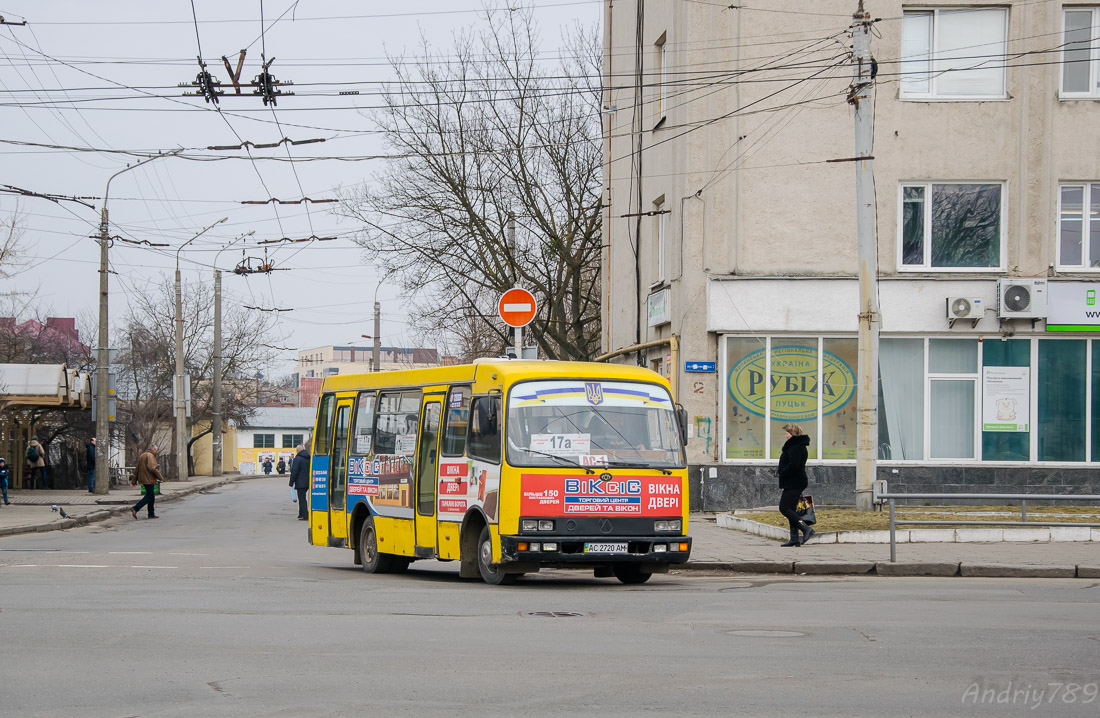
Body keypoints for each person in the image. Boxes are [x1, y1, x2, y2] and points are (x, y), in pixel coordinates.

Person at [777, 423, 814, 547]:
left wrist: (782, 472)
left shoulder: (796, 447)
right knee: (791, 509)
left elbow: (794, 465)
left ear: (792, 434)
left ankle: (806, 529)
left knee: (784, 508)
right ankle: (794, 539)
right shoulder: (796, 446)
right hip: (792, 481)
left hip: (795, 481)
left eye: (787, 433)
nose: (786, 435)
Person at [130, 445, 164, 520]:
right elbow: (153, 468)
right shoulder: (150, 456)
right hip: (149, 479)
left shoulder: (142, 455)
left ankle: (151, 514)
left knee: (151, 496)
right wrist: (160, 477)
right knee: (149, 496)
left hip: (143, 479)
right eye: (156, 450)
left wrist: (134, 481)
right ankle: (135, 508)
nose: (156, 451)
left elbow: (137, 469)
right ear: (153, 450)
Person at [289, 444, 310, 520]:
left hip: (300, 482)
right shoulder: (309, 458)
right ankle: (301, 514)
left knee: (302, 499)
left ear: (298, 450)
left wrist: (291, 482)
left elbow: (294, 471)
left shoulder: (297, 459)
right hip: (308, 481)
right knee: (303, 498)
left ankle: (305, 515)